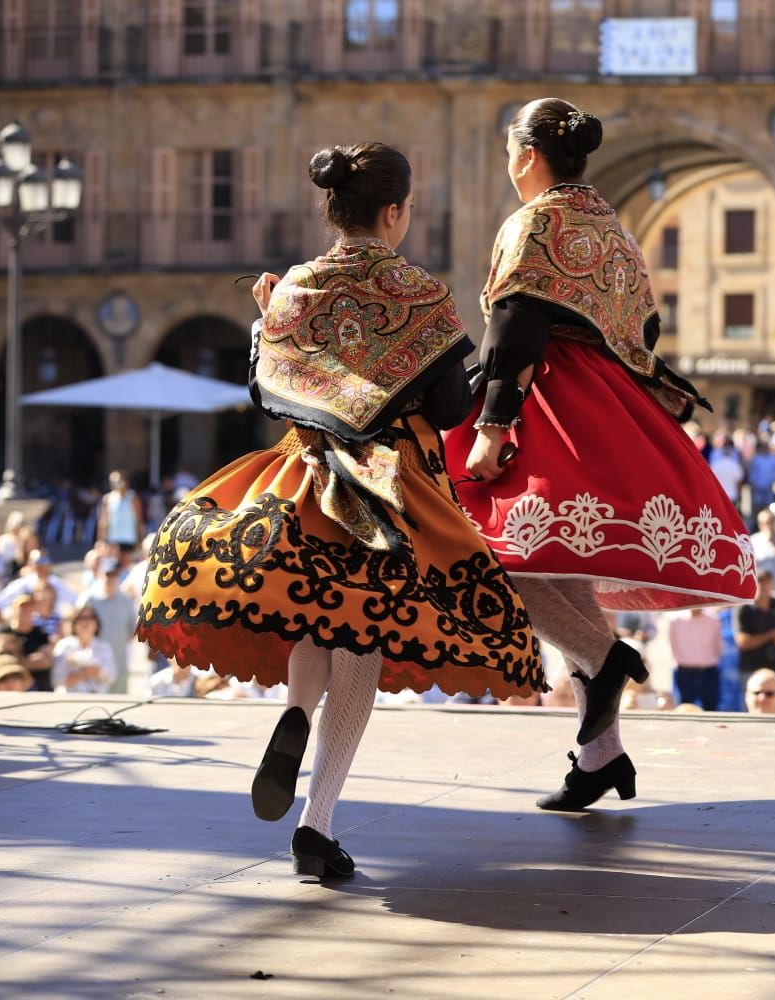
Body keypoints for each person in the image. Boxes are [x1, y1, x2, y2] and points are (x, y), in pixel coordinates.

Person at [137, 142, 541, 881]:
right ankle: (316, 823)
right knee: (363, 640)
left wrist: (265, 320)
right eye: (408, 208)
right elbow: (450, 404)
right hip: (391, 491)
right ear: (393, 211)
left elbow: (264, 389)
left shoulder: (296, 286)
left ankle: (295, 711)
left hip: (305, 478)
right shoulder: (418, 291)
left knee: (315, 612)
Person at [442, 99, 754, 811]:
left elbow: (513, 328)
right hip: (609, 405)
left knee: (478, 549)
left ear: (526, 155)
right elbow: (645, 325)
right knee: (566, 565)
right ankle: (600, 753)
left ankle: (603, 660)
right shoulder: (614, 229)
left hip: (543, 400)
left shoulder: (534, 221)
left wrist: (492, 426)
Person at [78, 558, 139, 694]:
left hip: (119, 664)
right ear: (100, 575)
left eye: (114, 575)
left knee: (119, 705)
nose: (110, 578)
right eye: (107, 574)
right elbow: (77, 626)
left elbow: (133, 630)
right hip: (93, 667)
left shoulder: (125, 601)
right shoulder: (89, 599)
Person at [733, 569, 775, 676]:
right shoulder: (745, 608)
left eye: (767, 581)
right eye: (760, 581)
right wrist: (771, 635)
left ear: (772, 583)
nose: (764, 585)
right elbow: (743, 642)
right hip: (751, 669)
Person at [0, 594, 53, 692]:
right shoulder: (4, 631)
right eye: (22, 607)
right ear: (14, 609)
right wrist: (28, 660)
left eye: (29, 608)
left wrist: (14, 661)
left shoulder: (41, 634)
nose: (25, 611)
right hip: (5, 679)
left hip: (35, 683)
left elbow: (45, 661)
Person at [665, 607, 724, 712]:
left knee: (711, 710)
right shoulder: (675, 620)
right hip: (684, 671)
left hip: (708, 671)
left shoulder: (713, 620)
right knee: (684, 709)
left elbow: (717, 646)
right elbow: (672, 644)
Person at [51, 606, 117, 695]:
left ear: (97, 623)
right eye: (80, 618)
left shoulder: (104, 647)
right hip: (68, 701)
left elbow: (111, 677)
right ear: (74, 623)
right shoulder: (64, 646)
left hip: (97, 702)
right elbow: (57, 680)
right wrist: (87, 672)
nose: (85, 622)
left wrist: (78, 662)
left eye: (90, 618)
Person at [96, 470, 145, 553]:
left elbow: (138, 519)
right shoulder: (108, 498)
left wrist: (139, 538)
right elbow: (104, 520)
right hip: (113, 538)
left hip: (129, 538)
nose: (117, 483)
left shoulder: (133, 497)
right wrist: (100, 539)